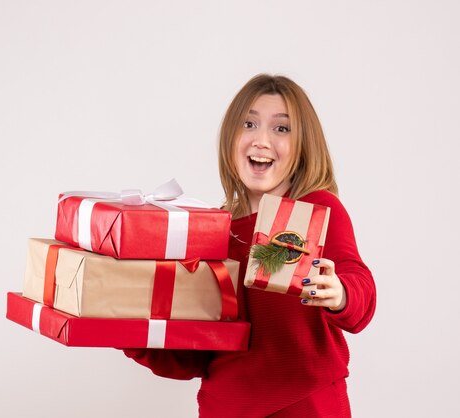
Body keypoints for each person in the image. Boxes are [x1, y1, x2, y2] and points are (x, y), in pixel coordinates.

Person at [124, 74, 376, 417]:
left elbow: (359, 288)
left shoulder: (316, 209)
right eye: (249, 123)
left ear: (303, 144)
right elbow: (193, 357)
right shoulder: (213, 230)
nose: (262, 139)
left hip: (305, 405)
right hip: (224, 408)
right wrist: (125, 328)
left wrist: (341, 292)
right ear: (231, 137)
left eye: (281, 128)